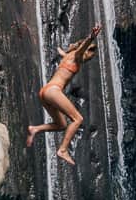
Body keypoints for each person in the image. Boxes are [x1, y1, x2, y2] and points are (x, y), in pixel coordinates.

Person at [27, 24, 101, 166]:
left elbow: (62, 52)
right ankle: (63, 150)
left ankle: (35, 129)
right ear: (86, 51)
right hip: (53, 91)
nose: (89, 58)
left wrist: (62, 48)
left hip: (45, 92)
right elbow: (81, 49)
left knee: (61, 124)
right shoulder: (77, 56)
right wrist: (91, 37)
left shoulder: (67, 56)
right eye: (90, 55)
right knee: (78, 119)